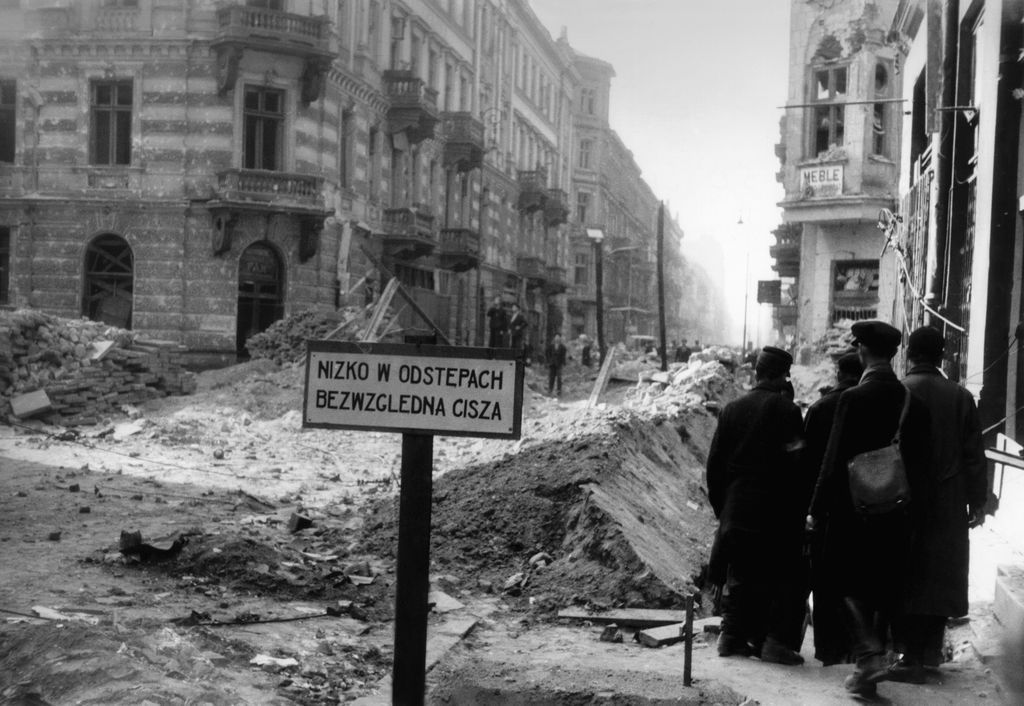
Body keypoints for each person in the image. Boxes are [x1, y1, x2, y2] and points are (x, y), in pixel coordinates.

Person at [807, 320, 930, 698]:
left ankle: (868, 656)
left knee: (840, 582)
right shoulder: (913, 403)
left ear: (861, 351)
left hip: (851, 514)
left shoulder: (852, 399)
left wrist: (816, 508)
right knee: (883, 587)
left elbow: (832, 459)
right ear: (894, 354)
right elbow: (922, 467)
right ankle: (866, 678)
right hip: (896, 512)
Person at [892, 325, 988, 682]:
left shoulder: (898, 391)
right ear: (942, 356)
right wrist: (978, 501)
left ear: (910, 355)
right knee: (938, 576)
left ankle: (904, 652)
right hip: (947, 504)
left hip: (902, 502)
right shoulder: (960, 397)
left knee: (905, 573)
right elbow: (974, 456)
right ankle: (928, 651)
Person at [706, 346, 806, 666]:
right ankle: (770, 643)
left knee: (740, 573)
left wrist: (724, 509)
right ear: (782, 376)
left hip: (736, 506)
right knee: (777, 575)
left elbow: (714, 468)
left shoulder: (731, 410)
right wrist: (799, 511)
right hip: (773, 510)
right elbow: (797, 466)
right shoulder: (787, 411)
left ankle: (730, 637)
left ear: (757, 373)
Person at [801, 350, 864, 666]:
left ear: (838, 374)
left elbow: (809, 463)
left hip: (827, 510)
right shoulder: (868, 405)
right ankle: (856, 648)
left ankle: (828, 649)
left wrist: (810, 509)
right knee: (856, 580)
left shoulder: (820, 408)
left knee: (825, 580)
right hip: (865, 509)